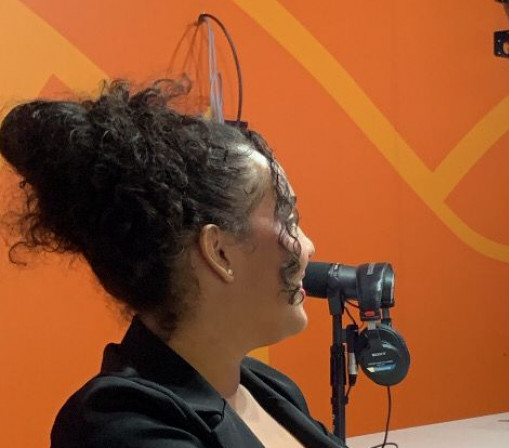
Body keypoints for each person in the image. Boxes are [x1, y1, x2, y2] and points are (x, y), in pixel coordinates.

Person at [0, 79, 346, 448]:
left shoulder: (268, 387)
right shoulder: (122, 427)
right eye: (289, 220)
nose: (308, 247)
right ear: (219, 252)